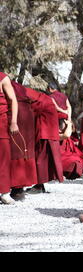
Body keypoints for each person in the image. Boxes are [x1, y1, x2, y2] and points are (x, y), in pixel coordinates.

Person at [25, 87, 64, 194]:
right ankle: (39, 185)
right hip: (48, 133)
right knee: (42, 160)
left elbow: (30, 110)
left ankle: (39, 186)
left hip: (45, 133)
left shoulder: (41, 101)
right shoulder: (46, 99)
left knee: (40, 161)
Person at [9, 81, 38, 201]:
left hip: (15, 116)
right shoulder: (19, 87)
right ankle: (18, 189)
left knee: (14, 150)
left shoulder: (6, 83)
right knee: (22, 150)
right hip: (27, 116)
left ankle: (16, 187)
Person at [0, 72, 19, 205]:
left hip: (1, 123)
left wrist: (13, 122)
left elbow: (13, 100)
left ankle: (5, 192)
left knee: (3, 158)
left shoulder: (3, 78)